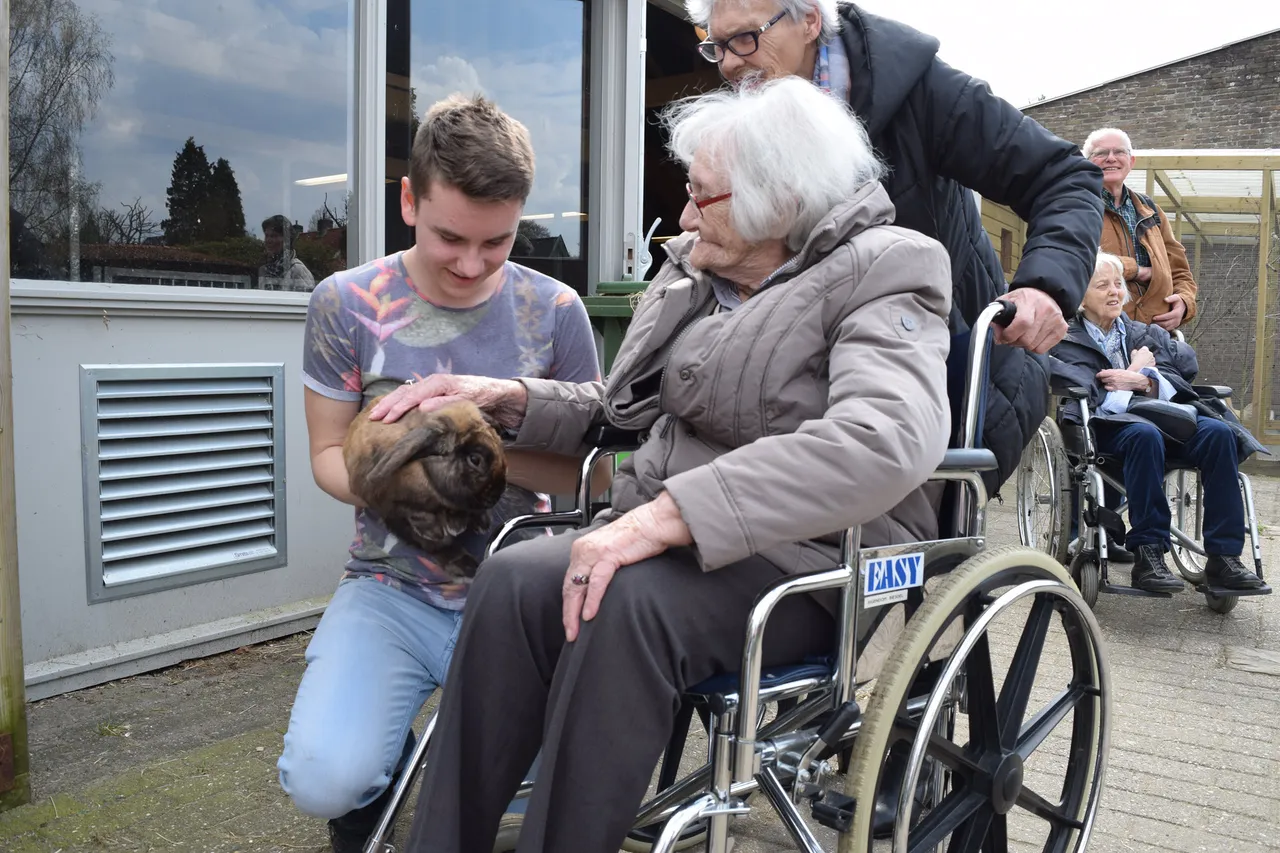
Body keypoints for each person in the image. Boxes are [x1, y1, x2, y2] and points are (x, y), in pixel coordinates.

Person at [370, 76, 953, 853]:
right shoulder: (697, 274)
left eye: (702, 196)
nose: (683, 215)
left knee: (620, 600)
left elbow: (884, 438)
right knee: (512, 580)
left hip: (809, 557)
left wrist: (664, 517)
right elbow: (621, 408)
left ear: (778, 201)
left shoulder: (887, 266)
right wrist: (505, 396)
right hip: (666, 536)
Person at [277, 94, 602, 853]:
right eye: (450, 236)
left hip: (519, 592)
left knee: (565, 772)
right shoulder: (346, 304)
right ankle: (375, 781)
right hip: (391, 587)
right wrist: (405, 475)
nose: (471, 263)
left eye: (498, 241)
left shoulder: (556, 311)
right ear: (408, 200)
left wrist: (473, 450)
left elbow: (599, 473)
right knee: (324, 777)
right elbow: (326, 454)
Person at [683, 0, 1104, 492]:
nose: (729, 64)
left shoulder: (921, 90)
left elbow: (1063, 177)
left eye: (744, 39)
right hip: (802, 375)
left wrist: (1045, 286)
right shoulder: (756, 99)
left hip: (938, 370)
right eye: (717, 46)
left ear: (810, 21)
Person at [1049, 252, 1264, 594]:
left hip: (1165, 422)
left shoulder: (1143, 333)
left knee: (1219, 433)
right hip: (1104, 429)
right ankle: (1148, 553)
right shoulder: (1067, 340)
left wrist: (1145, 382)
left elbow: (1183, 369)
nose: (1114, 291)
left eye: (1118, 284)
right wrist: (1136, 371)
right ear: (1080, 296)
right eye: (1102, 285)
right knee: (1143, 435)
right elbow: (1086, 390)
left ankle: (1224, 558)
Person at [1083, 127, 1198, 331]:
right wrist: (1135, 270)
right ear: (1086, 163)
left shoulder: (1151, 211)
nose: (1111, 158)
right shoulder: (1077, 207)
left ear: (1131, 161)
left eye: (1119, 152)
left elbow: (1179, 270)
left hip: (1155, 331)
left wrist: (1184, 301)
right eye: (1101, 153)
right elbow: (1075, 262)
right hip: (1099, 331)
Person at [259, 214, 316, 292]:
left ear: (287, 240)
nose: (268, 240)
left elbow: (305, 298)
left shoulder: (298, 270)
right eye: (267, 236)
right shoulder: (264, 270)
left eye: (274, 236)